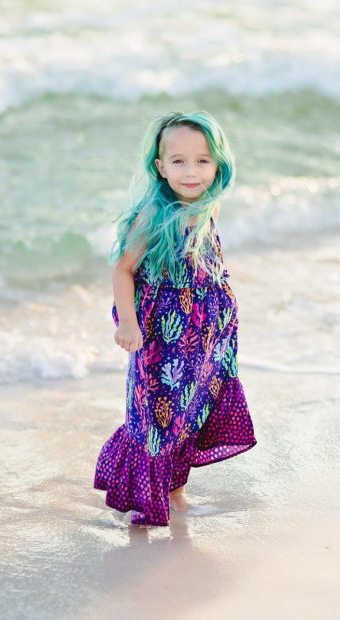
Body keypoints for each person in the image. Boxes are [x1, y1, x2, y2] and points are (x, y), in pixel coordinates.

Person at [93, 110, 257, 527]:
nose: (191, 172)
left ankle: (176, 494)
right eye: (179, 161)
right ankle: (145, 498)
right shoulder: (153, 217)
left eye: (202, 161)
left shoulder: (209, 209)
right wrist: (127, 324)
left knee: (187, 412)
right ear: (159, 166)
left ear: (218, 164)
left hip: (202, 338)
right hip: (161, 339)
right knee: (154, 416)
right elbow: (122, 271)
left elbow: (207, 267)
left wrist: (222, 322)